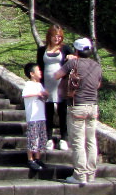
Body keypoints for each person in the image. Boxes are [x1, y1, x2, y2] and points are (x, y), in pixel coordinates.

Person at [54, 37, 102, 186]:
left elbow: (56, 75)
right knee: (91, 140)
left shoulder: (73, 63)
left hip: (77, 105)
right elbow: (98, 84)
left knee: (78, 141)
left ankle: (80, 175)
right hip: (93, 105)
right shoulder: (96, 65)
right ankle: (91, 173)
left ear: (76, 51)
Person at [36, 25, 73, 151]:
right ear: (49, 36)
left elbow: (75, 60)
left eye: (59, 36)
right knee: (48, 111)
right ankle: (49, 138)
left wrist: (71, 57)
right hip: (47, 83)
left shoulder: (65, 49)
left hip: (61, 84)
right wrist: (40, 85)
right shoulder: (42, 50)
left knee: (62, 111)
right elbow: (39, 67)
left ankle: (64, 138)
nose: (57, 39)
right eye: (54, 36)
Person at [22, 62, 49, 171]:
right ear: (32, 74)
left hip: (41, 116)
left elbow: (43, 97)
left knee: (40, 138)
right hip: (33, 117)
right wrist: (38, 94)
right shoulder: (29, 84)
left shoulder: (39, 85)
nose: (40, 72)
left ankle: (38, 158)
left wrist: (45, 95)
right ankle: (30, 159)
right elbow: (25, 94)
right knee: (32, 138)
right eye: (38, 70)